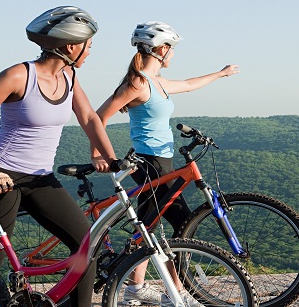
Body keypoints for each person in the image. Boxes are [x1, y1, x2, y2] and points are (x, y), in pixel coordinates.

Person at [0, 6, 118, 307]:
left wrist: (113, 161)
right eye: (89, 45)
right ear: (71, 45)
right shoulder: (18, 76)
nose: (90, 52)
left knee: (86, 245)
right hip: (2, 174)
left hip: (40, 178)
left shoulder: (70, 76)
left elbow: (88, 117)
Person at [91, 21, 239, 306]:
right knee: (181, 224)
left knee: (148, 225)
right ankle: (176, 294)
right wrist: (97, 155)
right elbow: (98, 117)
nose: (173, 54)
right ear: (161, 49)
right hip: (150, 164)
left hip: (162, 162)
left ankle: (135, 287)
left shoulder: (156, 82)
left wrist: (220, 74)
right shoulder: (137, 83)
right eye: (172, 49)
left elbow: (188, 84)